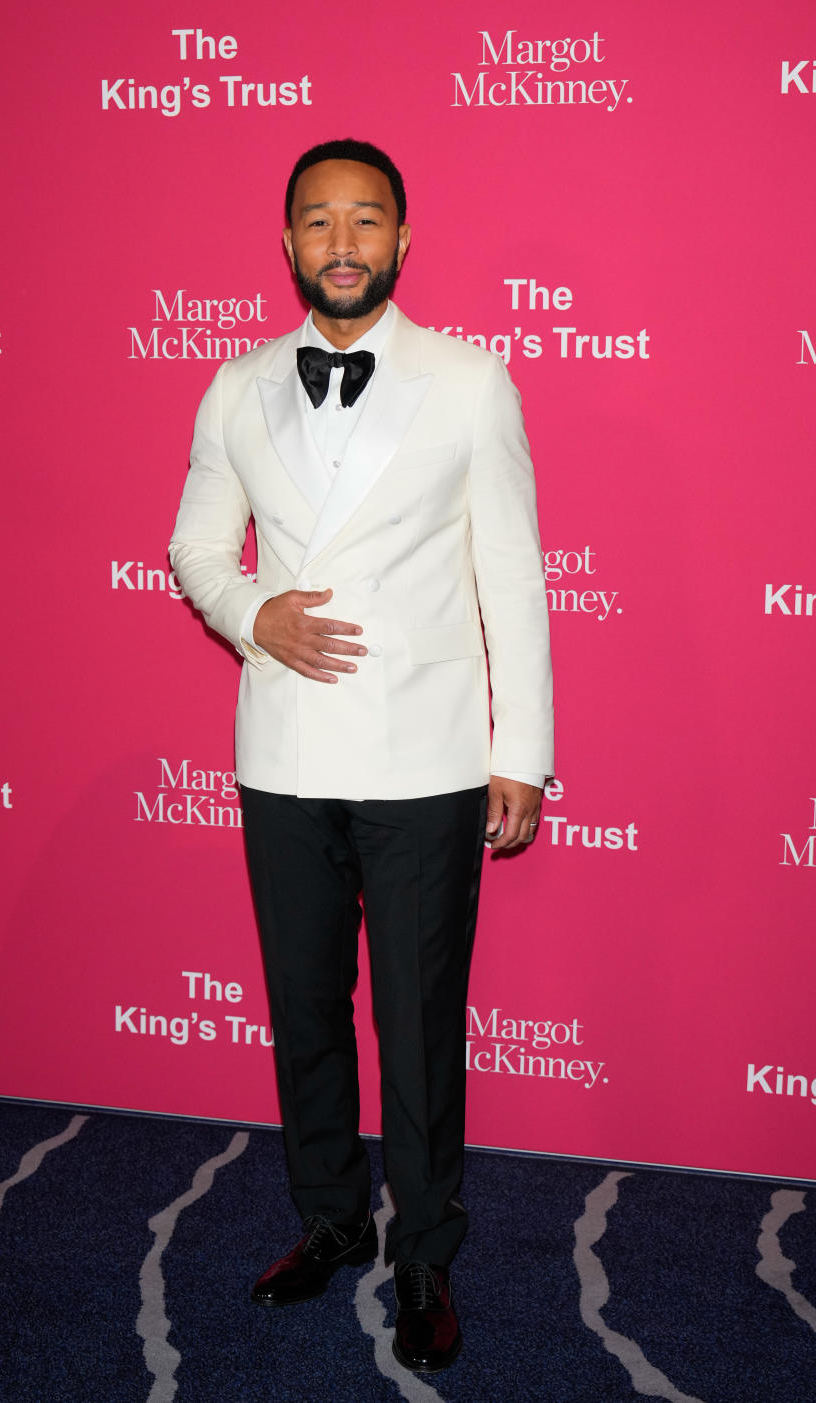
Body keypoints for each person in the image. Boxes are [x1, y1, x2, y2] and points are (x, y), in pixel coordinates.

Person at [169, 138, 553, 1374]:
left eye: (366, 220)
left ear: (401, 240)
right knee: (304, 1007)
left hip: (426, 754)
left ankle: (426, 1248)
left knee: (420, 1020)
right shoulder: (234, 386)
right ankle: (330, 1218)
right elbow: (194, 549)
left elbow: (512, 577)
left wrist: (522, 752)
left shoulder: (470, 381)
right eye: (319, 221)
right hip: (282, 746)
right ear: (287, 243)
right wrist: (250, 615)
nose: (343, 241)